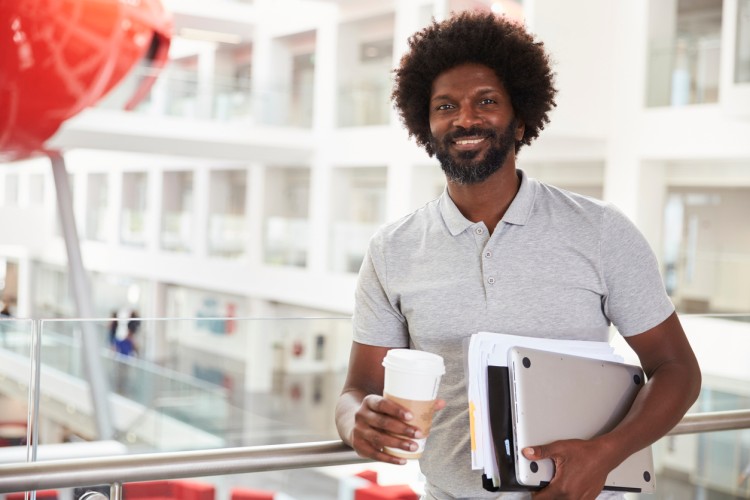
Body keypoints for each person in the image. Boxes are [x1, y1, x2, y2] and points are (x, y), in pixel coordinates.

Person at [335, 11, 702, 500]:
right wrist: (353, 422)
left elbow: (677, 369)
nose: (465, 118)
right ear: (426, 126)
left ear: (521, 117)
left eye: (486, 101)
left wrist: (608, 453)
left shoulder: (601, 231)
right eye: (446, 106)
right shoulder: (391, 250)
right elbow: (357, 389)